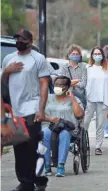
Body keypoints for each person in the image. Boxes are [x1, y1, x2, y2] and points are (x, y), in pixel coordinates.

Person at [1, 29, 49, 191]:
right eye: (17, 38)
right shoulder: (8, 59)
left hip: (32, 107)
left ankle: (31, 181)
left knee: (31, 146)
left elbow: (44, 84)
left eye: (21, 38)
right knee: (19, 147)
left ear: (29, 41)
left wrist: (41, 109)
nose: (18, 41)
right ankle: (29, 180)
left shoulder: (38, 59)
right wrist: (7, 71)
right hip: (15, 110)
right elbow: (4, 82)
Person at [42, 76, 84, 177]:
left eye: (61, 85)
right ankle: (47, 165)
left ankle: (60, 165)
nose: (58, 87)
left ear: (67, 87)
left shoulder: (74, 99)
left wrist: (72, 98)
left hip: (67, 128)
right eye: (56, 85)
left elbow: (79, 115)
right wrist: (51, 119)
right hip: (49, 126)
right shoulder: (47, 98)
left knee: (64, 134)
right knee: (45, 133)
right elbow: (39, 114)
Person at [84, 47, 108, 155]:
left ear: (102, 55)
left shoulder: (107, 69)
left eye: (99, 53)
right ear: (92, 55)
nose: (97, 55)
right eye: (95, 53)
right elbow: (84, 83)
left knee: (100, 124)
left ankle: (98, 146)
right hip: (90, 99)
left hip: (103, 100)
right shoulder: (87, 68)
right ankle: (83, 143)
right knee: (85, 123)